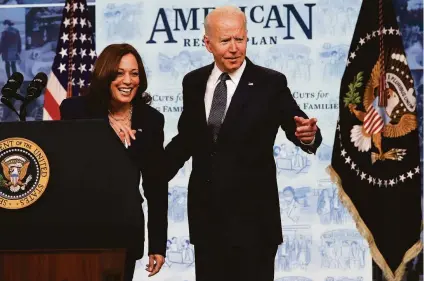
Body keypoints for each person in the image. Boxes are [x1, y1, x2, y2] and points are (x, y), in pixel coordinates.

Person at [164, 6, 322, 281]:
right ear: (208, 43)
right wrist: (151, 170)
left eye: (240, 39)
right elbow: (187, 139)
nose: (235, 48)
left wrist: (307, 136)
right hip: (207, 223)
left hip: (255, 226)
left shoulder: (270, 83)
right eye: (225, 41)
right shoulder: (193, 82)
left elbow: (298, 125)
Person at [60, 43, 167, 281]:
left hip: (124, 230)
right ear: (105, 75)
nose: (128, 80)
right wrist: (106, 130)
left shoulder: (151, 120)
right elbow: (69, 167)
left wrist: (157, 245)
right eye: (119, 73)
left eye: (134, 73)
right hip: (80, 228)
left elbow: (156, 186)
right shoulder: (75, 110)